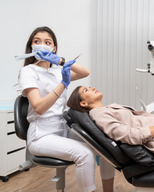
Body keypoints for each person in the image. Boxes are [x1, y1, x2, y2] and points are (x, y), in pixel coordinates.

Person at [18, 26, 115, 192]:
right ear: (31, 47)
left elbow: (85, 72)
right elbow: (39, 108)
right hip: (41, 135)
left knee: (105, 144)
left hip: (62, 129)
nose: (42, 45)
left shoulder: (57, 71)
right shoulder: (28, 71)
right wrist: (63, 84)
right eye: (37, 41)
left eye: (47, 42)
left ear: (53, 48)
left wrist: (60, 61)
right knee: (84, 153)